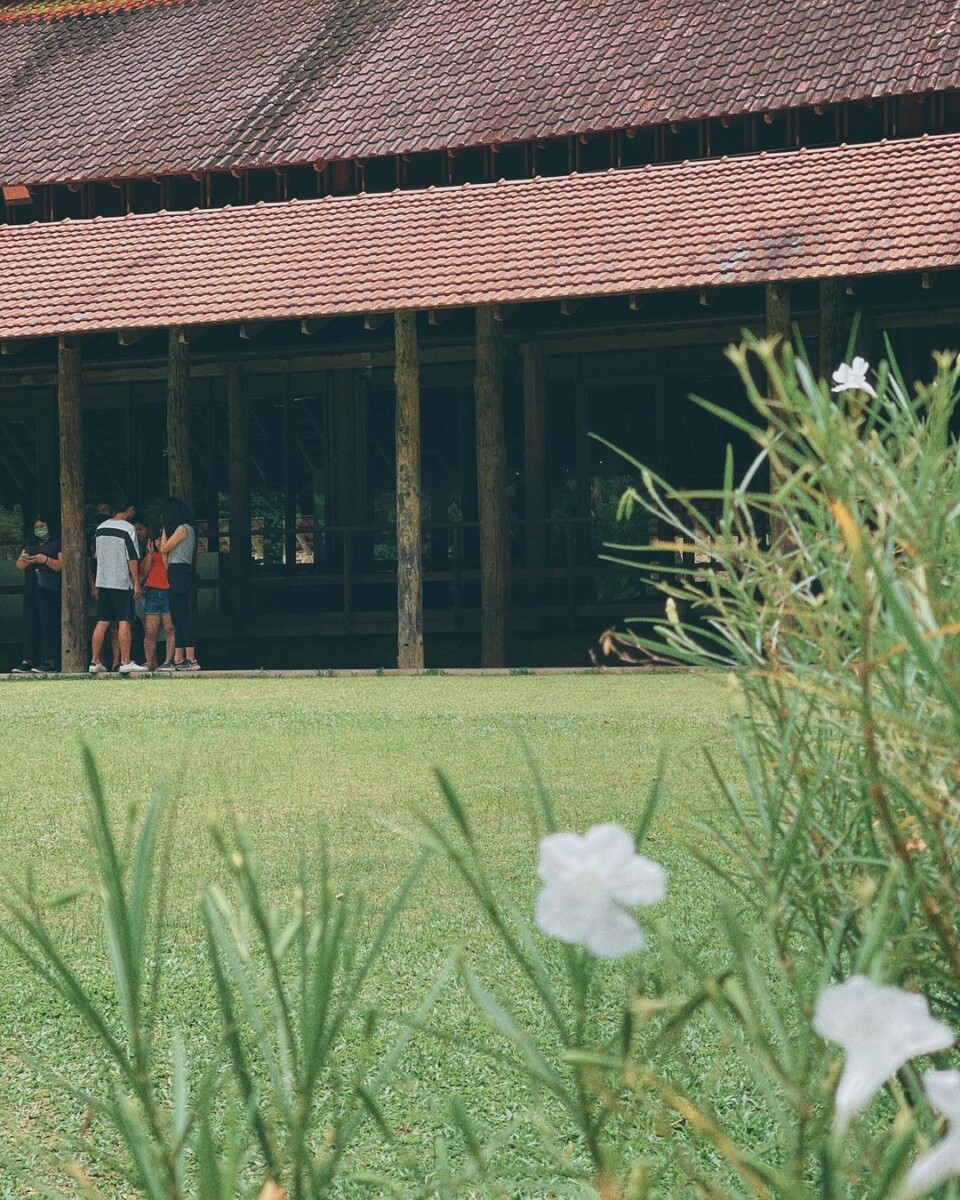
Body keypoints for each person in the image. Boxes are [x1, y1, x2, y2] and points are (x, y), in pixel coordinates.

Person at [89, 498, 148, 675]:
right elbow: (132, 557)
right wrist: (136, 582)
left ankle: (95, 660)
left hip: (104, 580)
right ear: (128, 509)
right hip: (121, 581)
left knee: (102, 621)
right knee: (124, 621)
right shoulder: (127, 528)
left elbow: (97, 556)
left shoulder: (100, 529)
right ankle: (125, 660)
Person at [11, 511, 62, 674]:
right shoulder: (30, 543)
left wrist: (44, 559)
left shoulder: (57, 543)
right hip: (31, 588)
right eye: (37, 527)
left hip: (48, 588)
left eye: (42, 527)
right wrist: (25, 560)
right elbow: (19, 565)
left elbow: (62, 565)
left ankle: (50, 660)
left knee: (48, 624)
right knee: (30, 624)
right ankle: (28, 659)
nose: (39, 529)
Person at [157, 497, 200, 672]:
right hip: (177, 571)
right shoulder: (187, 529)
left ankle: (190, 657)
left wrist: (164, 533)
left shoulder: (183, 529)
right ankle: (179, 657)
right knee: (177, 616)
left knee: (182, 616)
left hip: (179, 570)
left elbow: (164, 548)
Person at [87, 497, 120, 671]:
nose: (102, 513)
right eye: (100, 509)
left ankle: (116, 661)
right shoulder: (91, 534)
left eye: (106, 509)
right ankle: (98, 659)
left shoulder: (116, 530)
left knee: (115, 624)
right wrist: (93, 585)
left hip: (114, 581)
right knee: (99, 622)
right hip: (99, 581)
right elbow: (88, 561)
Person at [138, 520, 175, 672]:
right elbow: (145, 573)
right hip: (152, 592)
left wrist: (163, 551)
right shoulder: (151, 555)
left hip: (167, 592)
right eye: (158, 538)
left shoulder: (170, 553)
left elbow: (169, 572)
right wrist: (149, 553)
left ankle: (168, 661)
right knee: (149, 632)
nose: (159, 540)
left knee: (170, 629)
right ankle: (150, 662)